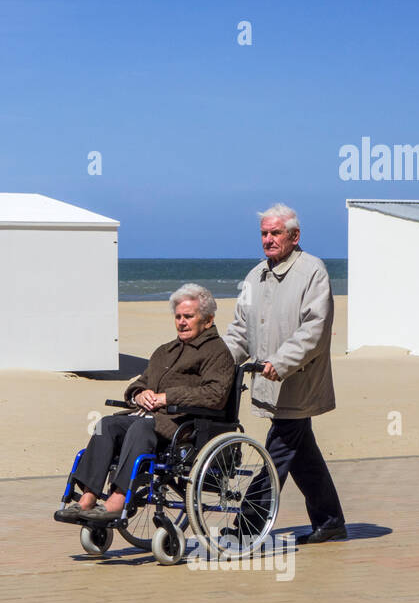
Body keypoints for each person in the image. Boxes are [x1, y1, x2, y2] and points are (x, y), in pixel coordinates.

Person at [56, 283, 234, 523]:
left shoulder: (217, 352)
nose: (181, 322)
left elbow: (215, 394)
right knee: (106, 424)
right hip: (150, 417)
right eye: (178, 316)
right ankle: (87, 497)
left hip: (186, 424)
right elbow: (139, 382)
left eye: (188, 317)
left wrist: (167, 397)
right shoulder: (165, 351)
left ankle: (118, 499)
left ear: (208, 320)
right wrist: (139, 394)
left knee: (141, 428)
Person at [224, 203, 347, 543]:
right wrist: (219, 360)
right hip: (266, 381)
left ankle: (247, 526)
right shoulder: (255, 276)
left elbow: (315, 330)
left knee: (275, 452)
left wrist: (281, 363)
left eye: (275, 233)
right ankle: (330, 520)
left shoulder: (312, 272)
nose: (268, 239)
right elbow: (239, 329)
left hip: (298, 382)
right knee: (302, 452)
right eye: (264, 233)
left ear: (295, 236)